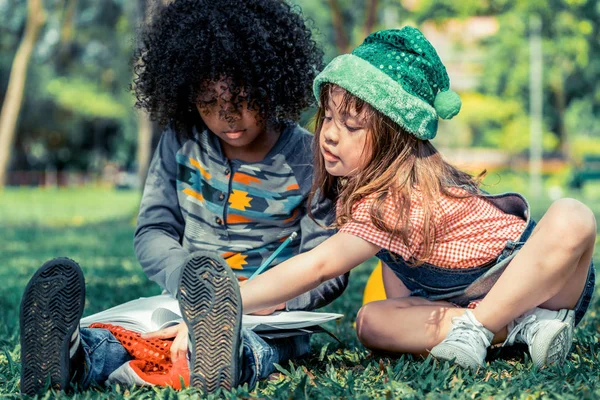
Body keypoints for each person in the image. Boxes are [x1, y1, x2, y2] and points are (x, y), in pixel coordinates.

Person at [19, 0, 348, 396]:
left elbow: (328, 261)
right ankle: (71, 355)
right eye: (209, 103)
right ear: (186, 94)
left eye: (242, 100)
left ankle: (221, 356)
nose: (227, 117)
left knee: (263, 344)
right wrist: (189, 287)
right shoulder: (179, 141)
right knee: (130, 335)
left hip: (268, 313)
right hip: (181, 300)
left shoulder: (311, 159)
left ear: (270, 82)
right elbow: (154, 230)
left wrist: (281, 300)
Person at [237, 27, 596, 370]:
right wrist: (271, 298)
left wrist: (235, 300)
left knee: (573, 215)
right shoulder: (368, 194)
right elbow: (404, 299)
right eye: (328, 117)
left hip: (544, 281)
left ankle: (483, 326)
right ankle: (521, 329)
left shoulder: (396, 197)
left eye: (351, 125)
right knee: (371, 321)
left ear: (394, 137)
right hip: (479, 302)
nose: (329, 134)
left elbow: (319, 266)